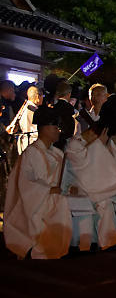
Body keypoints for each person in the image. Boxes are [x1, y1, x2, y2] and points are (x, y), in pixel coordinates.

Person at [64, 95, 116, 250]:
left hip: (95, 184)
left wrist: (101, 145)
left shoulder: (103, 140)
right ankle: (108, 240)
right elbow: (82, 172)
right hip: (77, 187)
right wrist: (98, 146)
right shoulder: (75, 145)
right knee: (103, 200)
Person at [3, 106, 72, 259]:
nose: (58, 131)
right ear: (45, 128)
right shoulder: (31, 152)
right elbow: (26, 183)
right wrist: (48, 190)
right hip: (37, 201)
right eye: (55, 127)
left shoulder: (58, 153)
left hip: (54, 198)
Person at [13, 85, 43, 155]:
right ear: (38, 97)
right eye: (42, 96)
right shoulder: (31, 110)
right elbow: (33, 131)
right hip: (30, 144)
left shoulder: (25, 107)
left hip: (27, 144)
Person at [52, 81, 77, 150]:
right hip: (66, 141)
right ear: (68, 94)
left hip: (54, 140)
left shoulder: (54, 107)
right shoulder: (70, 108)